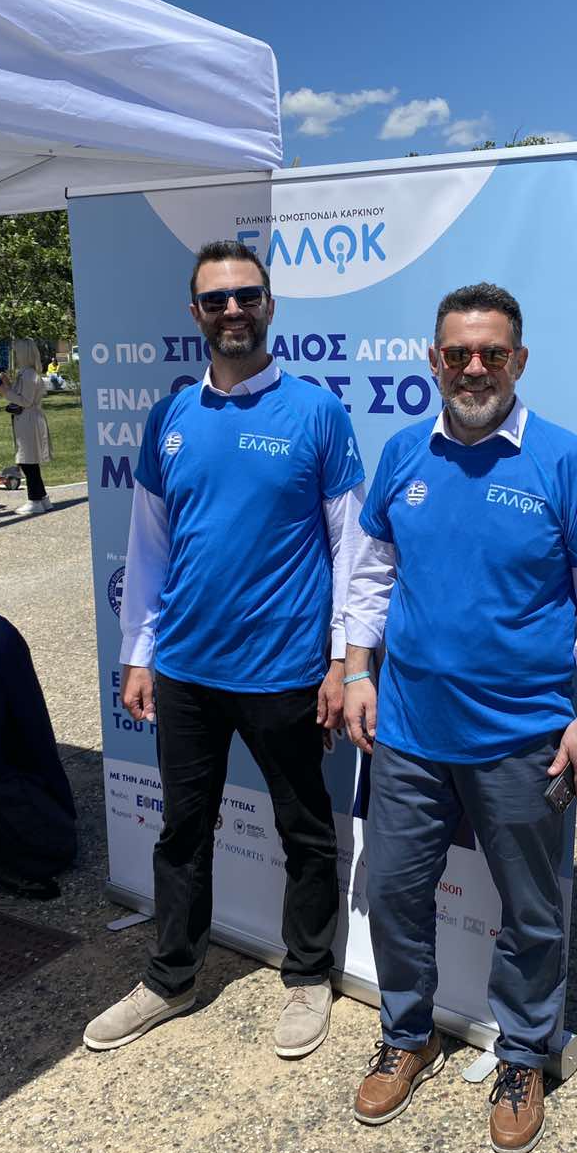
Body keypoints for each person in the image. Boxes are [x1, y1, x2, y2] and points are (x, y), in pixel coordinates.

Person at [342, 282, 577, 1153]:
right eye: (459, 353)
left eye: (493, 353)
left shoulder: (564, 461)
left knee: (532, 911)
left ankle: (523, 1055)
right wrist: (356, 671)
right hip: (408, 730)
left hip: (525, 736)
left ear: (520, 360)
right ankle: (406, 1034)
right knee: (394, 893)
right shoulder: (402, 453)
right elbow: (370, 571)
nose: (475, 368)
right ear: (434, 360)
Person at [83, 240, 366, 1061]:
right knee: (181, 831)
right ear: (196, 313)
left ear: (269, 306)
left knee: (304, 832)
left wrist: (342, 662)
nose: (232, 310)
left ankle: (308, 977)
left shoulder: (317, 413)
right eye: (216, 300)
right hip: (185, 672)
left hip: (284, 671)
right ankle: (171, 979)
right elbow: (149, 548)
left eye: (245, 296)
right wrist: (139, 653)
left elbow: (350, 547)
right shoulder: (170, 417)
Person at [0, 340, 54, 516]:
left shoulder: (28, 374)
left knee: (27, 461)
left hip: (29, 420)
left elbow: (25, 401)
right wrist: (8, 385)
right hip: (26, 419)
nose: (15, 355)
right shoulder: (26, 374)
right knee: (29, 461)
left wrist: (5, 391)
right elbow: (21, 395)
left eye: (17, 352)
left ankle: (34, 500)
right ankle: (42, 498)